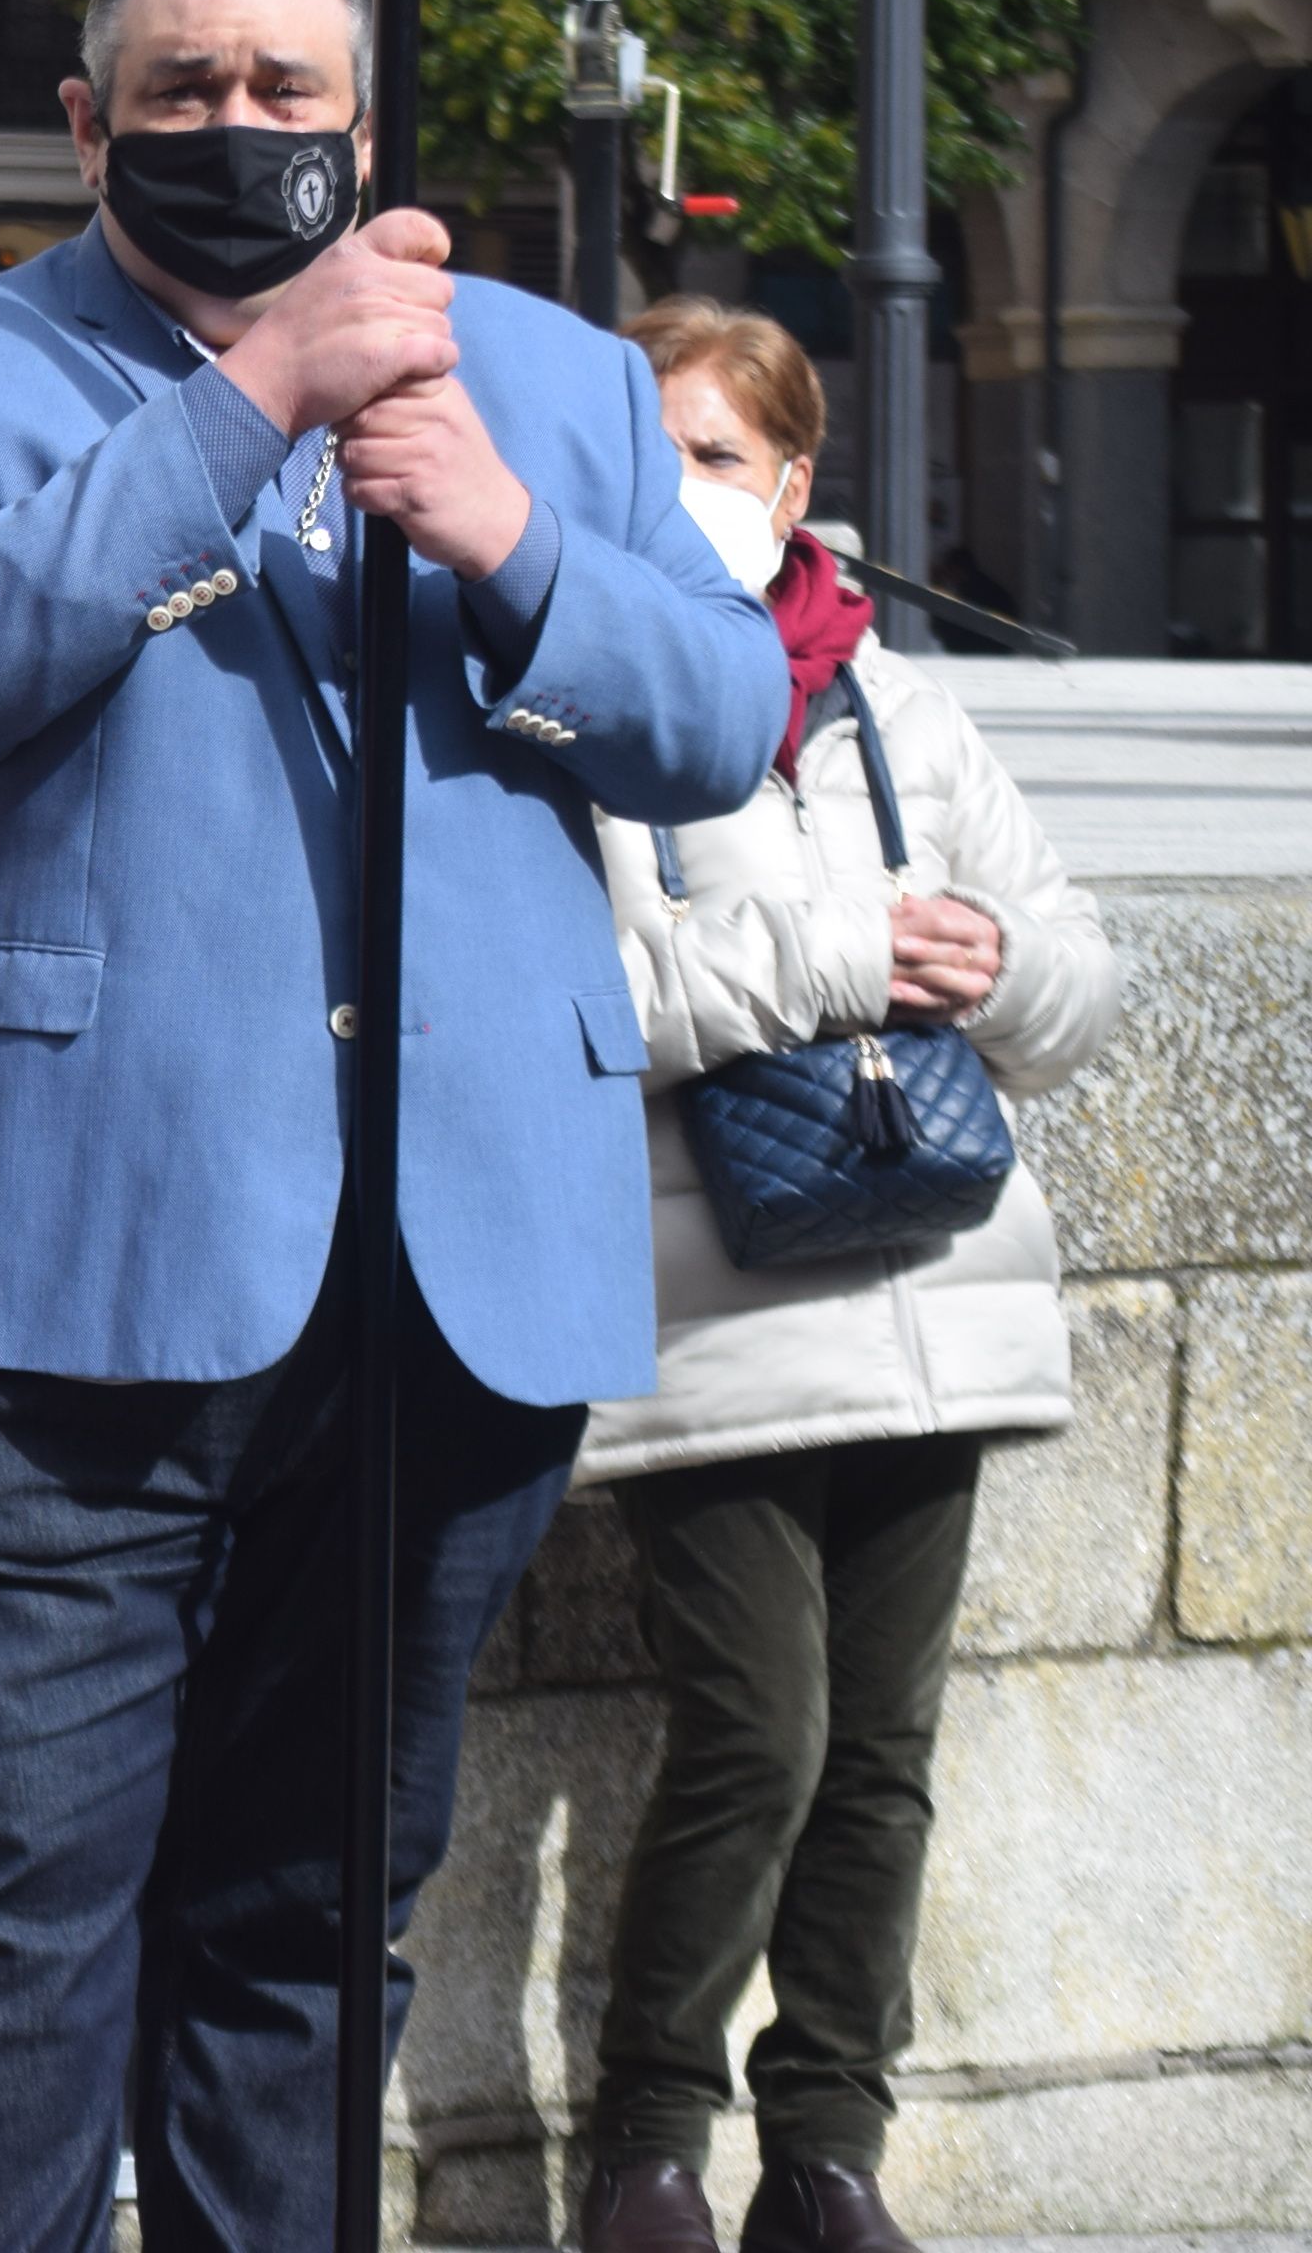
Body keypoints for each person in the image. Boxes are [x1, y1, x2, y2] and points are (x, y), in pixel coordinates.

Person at [0, 0, 788, 2247]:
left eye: (283, 84)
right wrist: (261, 401)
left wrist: (515, 543)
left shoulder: (546, 381)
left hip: (438, 1296)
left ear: (362, 110)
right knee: (1, 1932)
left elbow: (723, 720)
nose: (237, 120)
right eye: (181, 86)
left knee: (314, 1927)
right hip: (39, 1290)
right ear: (84, 117)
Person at [573, 301, 1115, 2253]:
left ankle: (826, 2162)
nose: (686, 497)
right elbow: (573, 1014)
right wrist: (829, 951)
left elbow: (1074, 980)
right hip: (706, 1311)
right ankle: (642, 2152)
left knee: (883, 1761)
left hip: (935, 1297)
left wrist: (991, 963)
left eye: (721, 460)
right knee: (762, 1732)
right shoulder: (576, 711)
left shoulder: (895, 702)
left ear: (797, 488)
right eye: (650, 459)